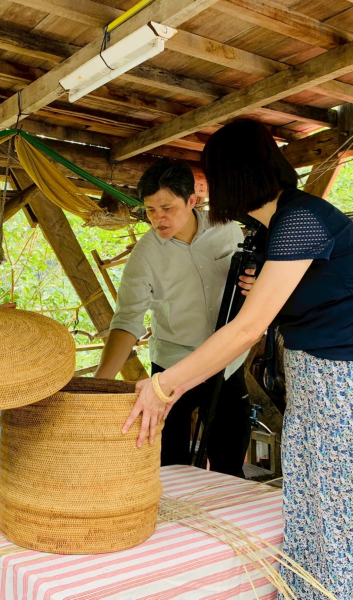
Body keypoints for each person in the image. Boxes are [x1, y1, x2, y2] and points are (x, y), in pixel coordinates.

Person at [124, 120, 353, 599]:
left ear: (233, 176)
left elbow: (246, 328)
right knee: (327, 509)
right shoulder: (275, 228)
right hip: (318, 386)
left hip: (352, 387)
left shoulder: (301, 217)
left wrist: (165, 385)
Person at [95, 158, 253, 476]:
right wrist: (100, 384)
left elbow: (254, 281)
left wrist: (256, 280)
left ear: (192, 201)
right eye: (151, 210)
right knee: (168, 465)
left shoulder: (229, 229)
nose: (158, 219)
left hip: (227, 363)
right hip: (172, 367)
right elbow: (127, 320)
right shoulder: (145, 255)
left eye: (167, 207)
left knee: (230, 461)